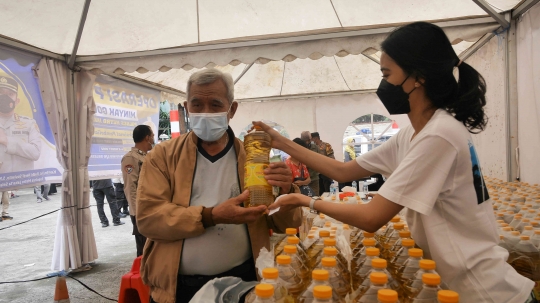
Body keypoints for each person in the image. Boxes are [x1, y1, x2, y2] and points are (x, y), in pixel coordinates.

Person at [256, 22, 534, 303]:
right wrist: (281, 142)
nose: (384, 85)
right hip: (460, 286)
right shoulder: (415, 134)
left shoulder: (440, 135)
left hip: (485, 291)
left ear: (418, 77)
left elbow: (371, 218)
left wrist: (306, 202)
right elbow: (343, 171)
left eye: (387, 74)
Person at [137, 68, 303, 303]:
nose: (205, 113)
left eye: (215, 105)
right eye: (197, 105)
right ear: (186, 108)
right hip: (178, 289)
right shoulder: (163, 156)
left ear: (231, 109)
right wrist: (211, 216)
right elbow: (148, 218)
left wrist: (287, 192)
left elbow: (285, 222)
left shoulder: (255, 159)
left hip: (243, 282)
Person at [121, 125, 154, 257]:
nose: (153, 139)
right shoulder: (130, 158)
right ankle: (142, 275)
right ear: (147, 137)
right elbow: (130, 187)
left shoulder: (146, 157)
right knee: (144, 248)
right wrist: (136, 212)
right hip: (141, 211)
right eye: (152, 136)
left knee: (152, 247)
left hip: (151, 208)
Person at [0, 74, 41, 175]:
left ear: (17, 101)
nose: (5, 97)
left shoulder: (29, 124)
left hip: (23, 186)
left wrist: (7, 141)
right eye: (1, 92)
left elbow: (35, 153)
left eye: (10, 94)